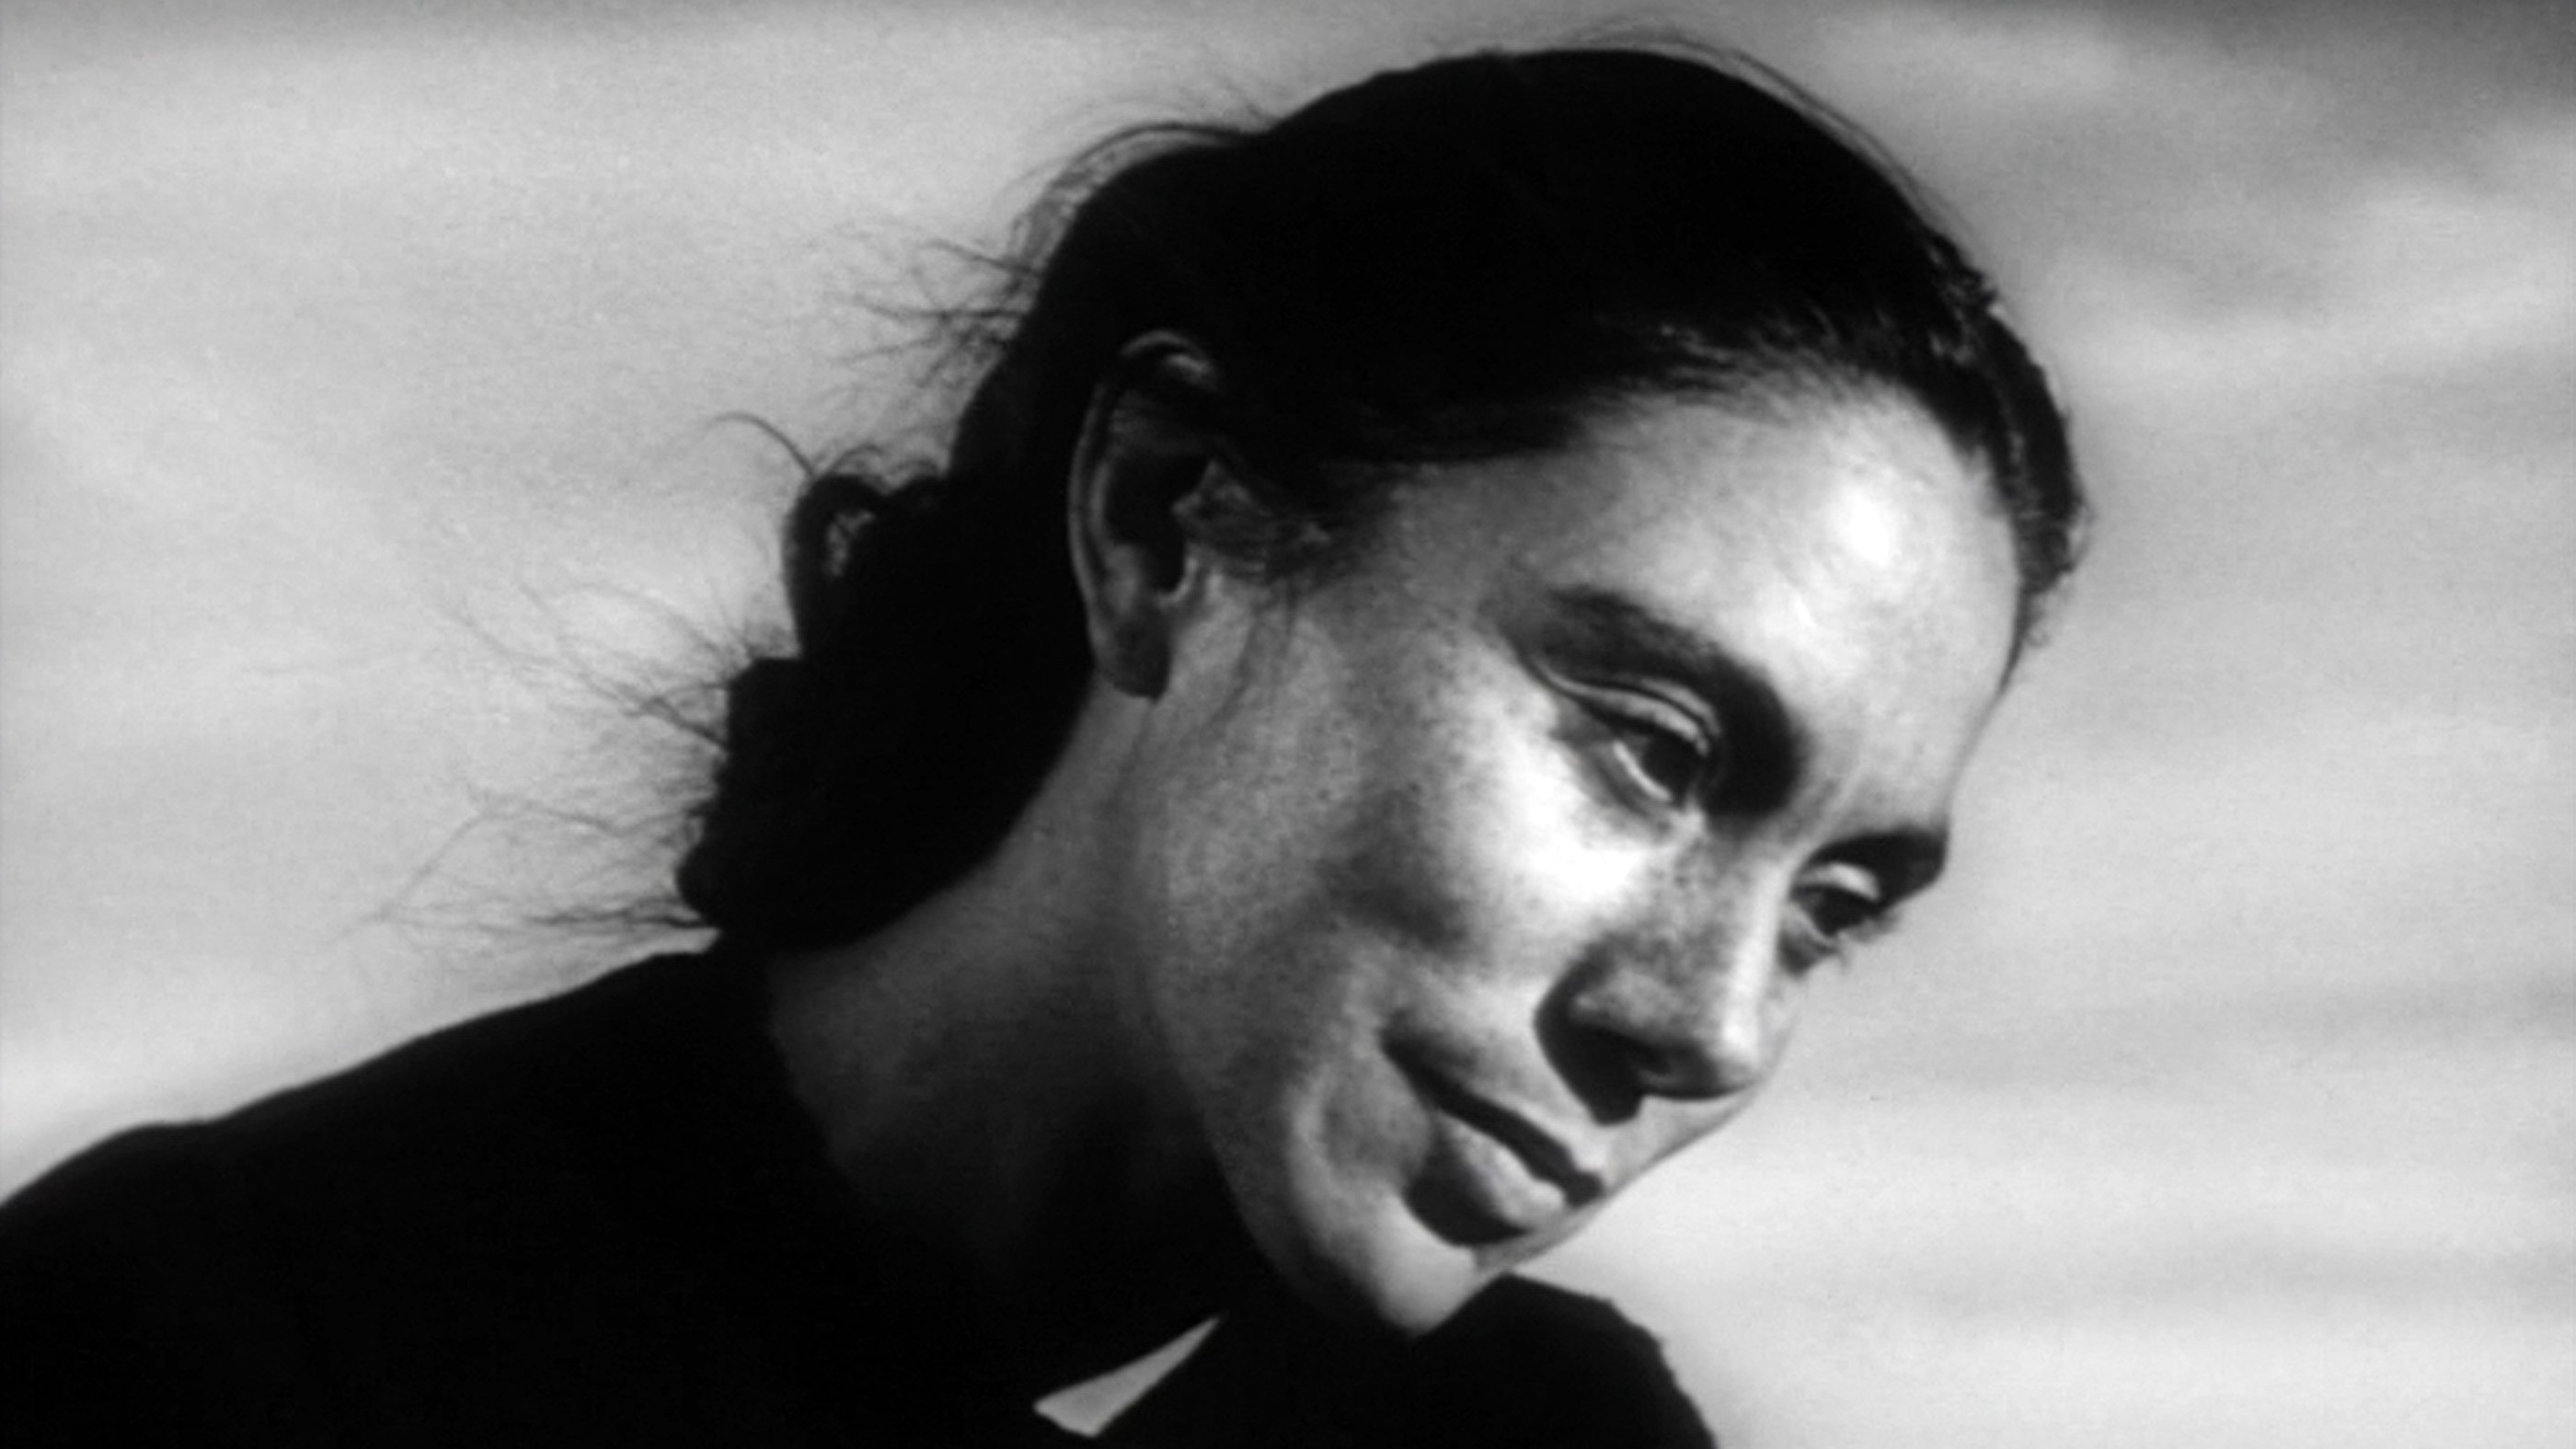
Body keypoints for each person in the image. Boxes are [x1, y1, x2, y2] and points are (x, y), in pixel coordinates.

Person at [0, 42, 2082, 1448]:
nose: (1713, 1025)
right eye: (1648, 745)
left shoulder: (1554, 1440)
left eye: (1833, 905)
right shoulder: (208, 1347)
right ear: (1168, 521)